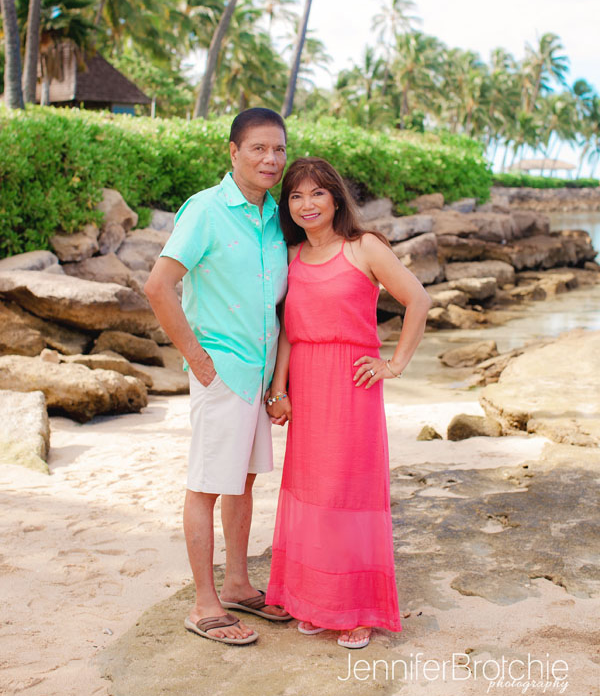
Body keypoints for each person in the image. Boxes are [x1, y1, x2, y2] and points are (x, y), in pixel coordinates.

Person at [264, 157, 432, 650]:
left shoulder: (365, 247)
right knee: (312, 492)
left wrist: (394, 364)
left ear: (336, 197)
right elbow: (291, 334)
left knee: (347, 493)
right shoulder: (292, 257)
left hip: (353, 385)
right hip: (308, 390)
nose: (307, 204)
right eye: (296, 196)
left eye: (317, 193)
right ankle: (317, 601)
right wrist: (279, 391)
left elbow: (417, 300)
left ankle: (356, 608)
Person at [144, 107, 293, 645]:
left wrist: (279, 384)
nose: (270, 159)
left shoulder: (276, 217)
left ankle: (236, 584)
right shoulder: (206, 210)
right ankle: (203, 605)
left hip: (256, 377)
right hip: (221, 372)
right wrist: (197, 358)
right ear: (233, 152)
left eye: (278, 149)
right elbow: (158, 287)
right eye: (258, 148)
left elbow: (279, 305)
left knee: (243, 481)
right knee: (207, 485)